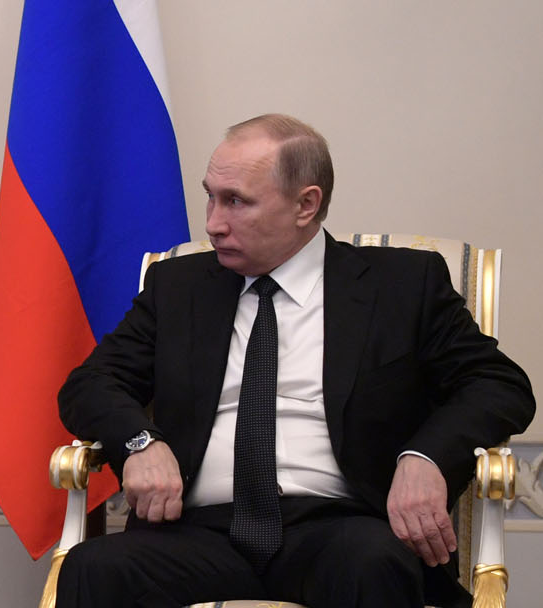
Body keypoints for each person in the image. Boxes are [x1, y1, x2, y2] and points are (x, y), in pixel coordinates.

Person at [55, 114, 533, 607]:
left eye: (236, 201)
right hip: (196, 531)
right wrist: (141, 442)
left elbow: (498, 384)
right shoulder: (179, 286)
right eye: (211, 197)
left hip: (339, 529)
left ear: (306, 204)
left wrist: (425, 458)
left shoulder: (402, 285)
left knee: (374, 563)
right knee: (93, 567)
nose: (213, 223)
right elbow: (91, 383)